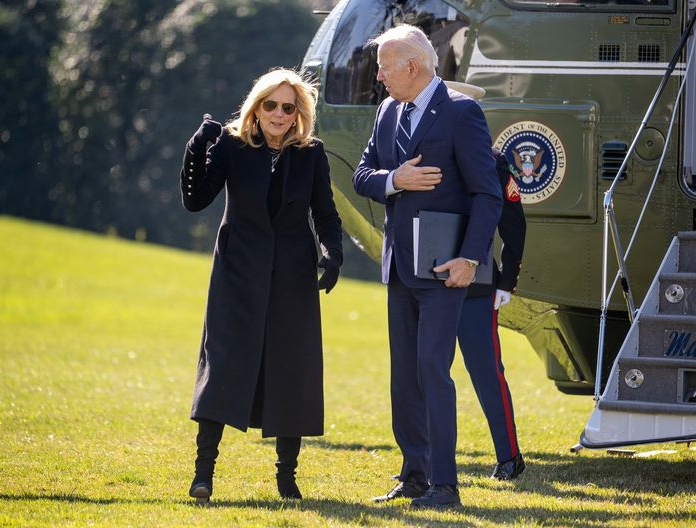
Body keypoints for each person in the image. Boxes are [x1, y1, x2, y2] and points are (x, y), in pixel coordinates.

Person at [352, 25, 503, 508]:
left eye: (383, 66)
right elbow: (362, 175)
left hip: (446, 269)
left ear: (411, 67)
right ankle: (413, 476)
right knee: (405, 376)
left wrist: (471, 259)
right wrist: (395, 179)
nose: (378, 75)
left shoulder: (462, 112)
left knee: (432, 370)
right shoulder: (386, 111)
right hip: (399, 268)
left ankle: (445, 485)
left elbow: (487, 193)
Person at [179, 68, 343, 503]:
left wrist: (333, 253)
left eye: (288, 107)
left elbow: (325, 214)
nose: (278, 113)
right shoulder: (233, 146)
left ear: (298, 114)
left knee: (293, 371)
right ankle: (203, 475)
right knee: (223, 366)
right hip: (237, 273)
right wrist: (197, 148)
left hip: (292, 276)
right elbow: (196, 199)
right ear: (257, 106)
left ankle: (286, 478)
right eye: (270, 104)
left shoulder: (312, 154)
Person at [457, 149, 527, 481]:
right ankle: (424, 460)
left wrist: (507, 280)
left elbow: (512, 221)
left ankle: (509, 456)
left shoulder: (490, 158)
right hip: (427, 280)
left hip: (478, 285)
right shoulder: (418, 148)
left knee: (487, 374)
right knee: (425, 372)